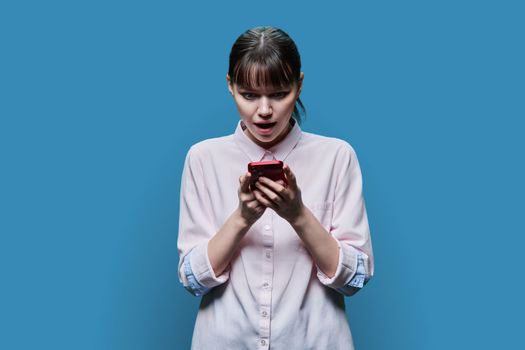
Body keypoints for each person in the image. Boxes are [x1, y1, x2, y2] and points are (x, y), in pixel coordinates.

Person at [177, 26, 374, 350]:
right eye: (250, 95)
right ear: (231, 86)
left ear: (299, 84)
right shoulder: (203, 158)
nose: (264, 110)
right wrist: (242, 218)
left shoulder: (337, 156)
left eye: (279, 93)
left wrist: (298, 215)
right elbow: (192, 279)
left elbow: (355, 278)